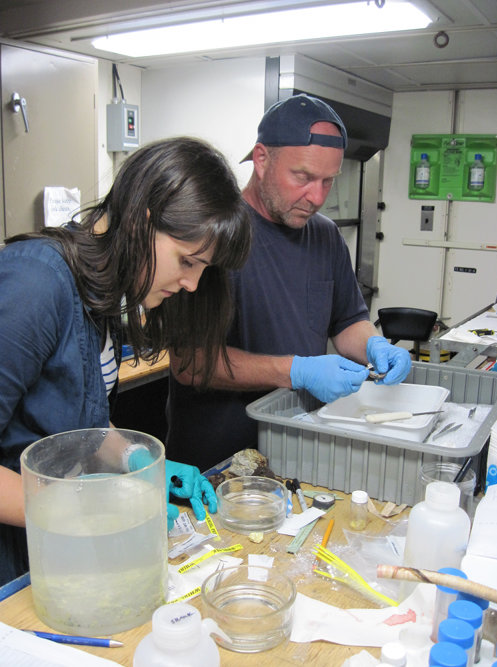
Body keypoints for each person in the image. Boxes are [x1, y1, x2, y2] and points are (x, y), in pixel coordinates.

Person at [0, 136, 252, 586]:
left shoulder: (100, 294)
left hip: (47, 552)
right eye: (187, 261)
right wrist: (87, 507)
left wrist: (137, 460)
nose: (193, 284)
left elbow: (82, 420)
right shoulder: (35, 283)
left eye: (204, 270)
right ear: (142, 221)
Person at [166, 94, 411, 472]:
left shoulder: (326, 237)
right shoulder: (212, 234)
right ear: (262, 159)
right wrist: (297, 371)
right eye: (303, 177)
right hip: (214, 464)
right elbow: (190, 363)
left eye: (328, 181)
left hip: (296, 451)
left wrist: (374, 346)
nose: (316, 197)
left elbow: (347, 323)